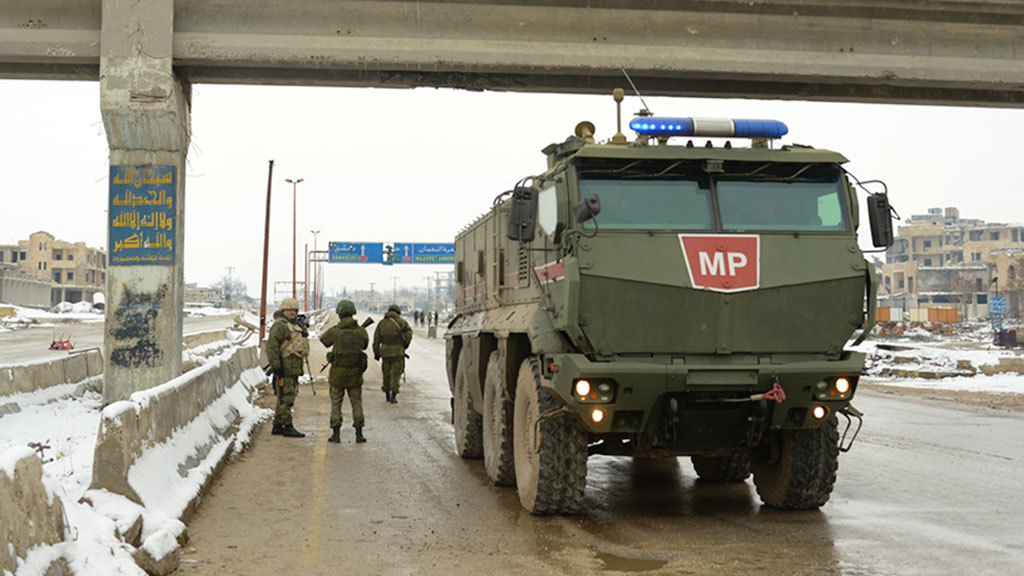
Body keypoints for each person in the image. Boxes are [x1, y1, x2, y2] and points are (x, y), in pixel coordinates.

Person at [319, 299, 369, 443]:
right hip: (355, 375)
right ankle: (359, 434)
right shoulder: (360, 331)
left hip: (337, 375)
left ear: (339, 313)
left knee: (336, 404)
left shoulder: (336, 331)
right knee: (357, 404)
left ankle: (336, 434)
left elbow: (324, 340)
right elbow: (364, 346)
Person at [266, 297, 309, 438]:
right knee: (287, 398)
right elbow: (272, 348)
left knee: (283, 397)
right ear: (283, 311)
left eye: (294, 310)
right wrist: (277, 367)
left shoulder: (294, 326)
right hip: (284, 369)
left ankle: (278, 425)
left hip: (292, 369)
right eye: (289, 310)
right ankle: (287, 426)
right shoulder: (280, 326)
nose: (292, 313)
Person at [373, 303, 412, 403]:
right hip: (398, 353)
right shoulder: (402, 322)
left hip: (385, 353)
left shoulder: (381, 323)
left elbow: (376, 340)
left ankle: (386, 394)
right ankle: (393, 395)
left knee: (386, 374)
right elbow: (409, 335)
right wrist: (404, 346)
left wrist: (376, 353)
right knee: (396, 374)